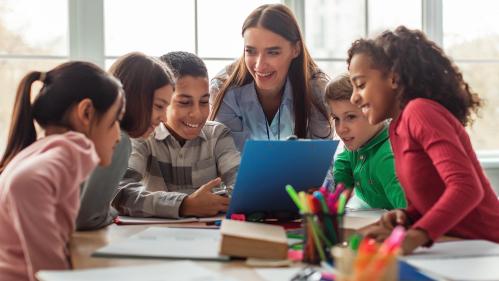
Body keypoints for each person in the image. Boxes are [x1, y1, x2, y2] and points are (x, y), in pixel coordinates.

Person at [347, 26, 499, 254]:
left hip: (488, 249)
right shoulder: (397, 129)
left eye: (360, 85)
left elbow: (466, 188)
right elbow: (432, 199)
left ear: (394, 78)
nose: (354, 97)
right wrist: (407, 218)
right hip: (459, 248)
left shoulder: (420, 112)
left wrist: (415, 236)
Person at [0, 62, 124, 280]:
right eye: (115, 120)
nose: (119, 135)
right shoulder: (68, 151)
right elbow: (26, 183)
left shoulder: (43, 149)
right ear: (86, 113)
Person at [113, 51, 240, 218]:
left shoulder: (218, 135)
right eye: (184, 102)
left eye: (203, 102)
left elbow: (241, 188)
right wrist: (184, 205)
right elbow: (121, 193)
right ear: (163, 100)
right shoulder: (143, 136)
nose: (197, 113)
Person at [209, 3, 332, 151]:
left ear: (296, 49)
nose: (260, 65)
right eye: (251, 51)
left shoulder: (317, 90)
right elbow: (231, 161)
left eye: (273, 52)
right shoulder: (224, 89)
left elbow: (320, 162)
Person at [76, 52, 175, 230]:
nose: (165, 119)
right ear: (135, 98)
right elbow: (88, 218)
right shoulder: (117, 141)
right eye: (159, 106)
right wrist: (112, 212)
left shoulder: (90, 132)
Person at [325, 74, 406, 210]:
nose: (341, 129)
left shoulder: (387, 158)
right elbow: (340, 182)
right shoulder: (356, 146)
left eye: (350, 117)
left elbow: (410, 212)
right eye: (336, 118)